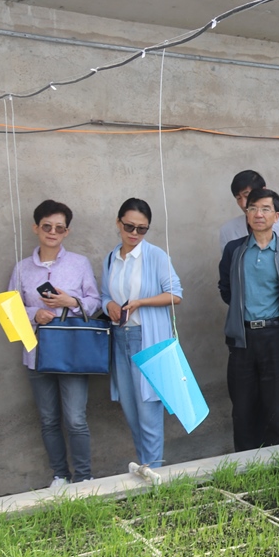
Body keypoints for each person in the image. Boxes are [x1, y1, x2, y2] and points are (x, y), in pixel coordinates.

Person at [9, 200, 101, 487]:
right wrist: (34, 314)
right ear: (36, 228)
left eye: (59, 228)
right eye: (47, 226)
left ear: (67, 232)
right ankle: (60, 475)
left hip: (73, 352)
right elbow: (11, 310)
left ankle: (84, 477)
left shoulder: (79, 263)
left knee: (75, 418)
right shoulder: (22, 269)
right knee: (48, 419)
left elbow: (95, 302)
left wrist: (70, 301)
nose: (52, 232)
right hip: (36, 354)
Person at [219, 169, 279, 442]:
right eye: (253, 208)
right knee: (242, 408)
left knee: (276, 407)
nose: (259, 214)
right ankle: (245, 461)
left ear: (276, 216)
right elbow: (226, 289)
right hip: (243, 337)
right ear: (246, 214)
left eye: (265, 209)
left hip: (276, 337)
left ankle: (275, 460)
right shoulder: (234, 250)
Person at [102, 198, 183, 469]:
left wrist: (140, 302)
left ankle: (155, 475)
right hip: (120, 339)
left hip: (147, 339)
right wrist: (109, 306)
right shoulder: (111, 258)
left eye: (142, 229)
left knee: (149, 412)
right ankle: (145, 471)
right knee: (131, 412)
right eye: (129, 227)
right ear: (118, 223)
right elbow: (104, 295)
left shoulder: (156, 256)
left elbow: (175, 294)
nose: (134, 233)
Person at [219, 170, 279, 273]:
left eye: (247, 195)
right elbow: (229, 272)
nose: (243, 204)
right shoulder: (228, 230)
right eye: (238, 198)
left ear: (263, 190)